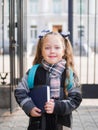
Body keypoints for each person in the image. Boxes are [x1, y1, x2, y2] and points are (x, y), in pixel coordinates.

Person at [14, 30, 82, 130]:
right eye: (47, 48)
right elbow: (20, 91)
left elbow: (76, 99)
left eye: (57, 47)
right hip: (37, 125)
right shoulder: (33, 72)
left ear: (64, 51)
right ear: (41, 50)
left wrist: (57, 106)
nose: (52, 51)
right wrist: (29, 107)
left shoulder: (69, 74)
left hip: (61, 126)